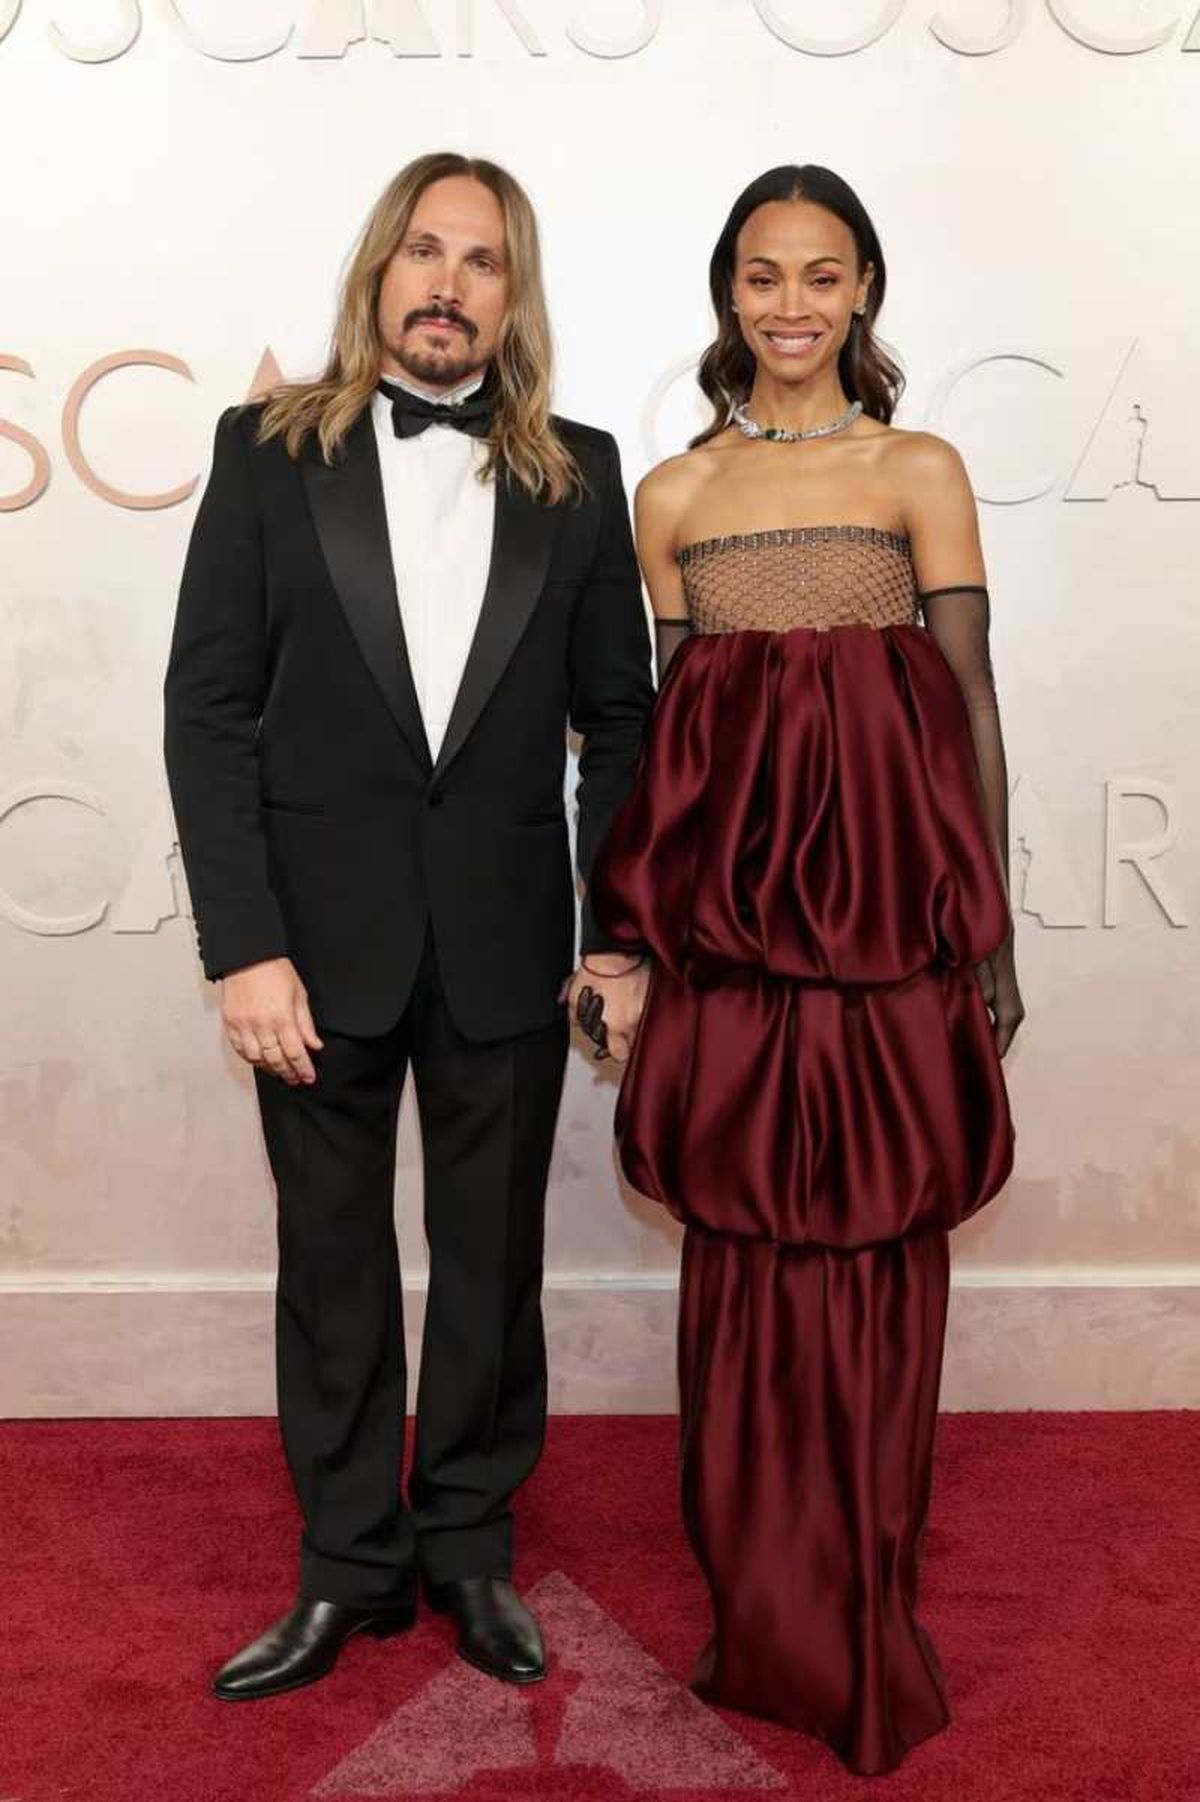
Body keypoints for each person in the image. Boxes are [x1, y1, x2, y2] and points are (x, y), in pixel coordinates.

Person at [163, 152, 653, 1701]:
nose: (449, 283)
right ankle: (348, 1567)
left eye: (484, 260)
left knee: (491, 1262)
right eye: (425, 251)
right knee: (333, 1263)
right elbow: (210, 708)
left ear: (515, 298)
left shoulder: (579, 467)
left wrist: (618, 931)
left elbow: (621, 719)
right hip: (310, 949)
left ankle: (469, 1547)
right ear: (379, 271)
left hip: (509, 938)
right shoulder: (261, 454)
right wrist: (241, 944)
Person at [586, 164, 1024, 1776]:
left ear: (864, 293)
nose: (790, 304)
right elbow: (665, 754)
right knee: (747, 1272)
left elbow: (968, 710)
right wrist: (626, 938)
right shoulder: (674, 496)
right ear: (726, 294)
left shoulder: (920, 467)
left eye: (822, 276)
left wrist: (989, 926)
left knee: (881, 1264)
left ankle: (863, 1603)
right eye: (763, 276)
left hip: (894, 951)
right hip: (737, 960)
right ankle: (761, 1610)